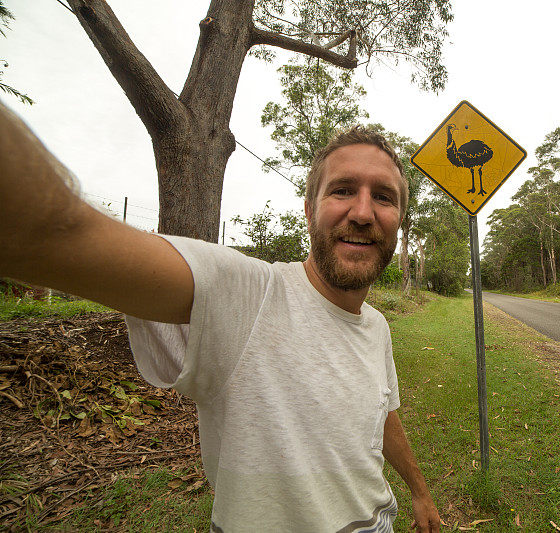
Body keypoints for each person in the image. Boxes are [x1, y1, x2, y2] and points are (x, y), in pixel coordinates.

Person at [0, 102, 441, 532]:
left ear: (398, 222)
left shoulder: (376, 326)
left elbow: (382, 412)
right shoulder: (247, 295)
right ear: (309, 211)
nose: (363, 213)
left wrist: (420, 492)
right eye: (343, 190)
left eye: (382, 197)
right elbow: (49, 231)